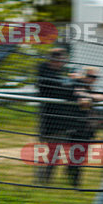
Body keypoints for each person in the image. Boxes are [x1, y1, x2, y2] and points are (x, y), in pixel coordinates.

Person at [36, 48, 83, 186]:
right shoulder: (46, 74)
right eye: (62, 60)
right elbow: (63, 91)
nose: (63, 63)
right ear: (55, 60)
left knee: (58, 153)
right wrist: (73, 82)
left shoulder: (56, 74)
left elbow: (68, 92)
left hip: (62, 120)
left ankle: (46, 180)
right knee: (53, 153)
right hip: (52, 120)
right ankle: (44, 181)